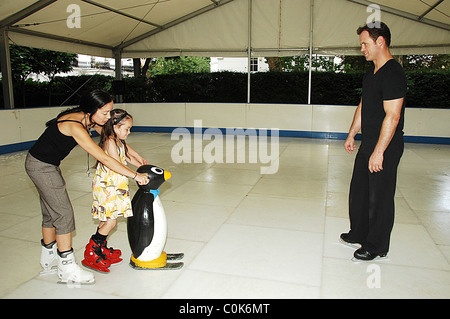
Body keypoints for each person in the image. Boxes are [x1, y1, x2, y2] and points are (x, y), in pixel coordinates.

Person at [25, 89, 149, 284]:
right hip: (40, 167)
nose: (108, 117)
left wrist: (138, 158)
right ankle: (67, 267)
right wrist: (135, 175)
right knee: (63, 214)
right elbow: (104, 158)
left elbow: (113, 138)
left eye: (110, 113)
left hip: (46, 164)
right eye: (105, 113)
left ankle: (48, 257)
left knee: (51, 213)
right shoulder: (75, 126)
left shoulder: (90, 119)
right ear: (92, 110)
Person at [340, 22, 407, 261]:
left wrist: (379, 151)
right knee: (359, 192)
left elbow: (393, 115)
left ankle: (377, 245)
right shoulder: (372, 73)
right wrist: (351, 133)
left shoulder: (393, 73)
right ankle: (359, 232)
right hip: (368, 141)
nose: (362, 49)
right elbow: (363, 105)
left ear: (380, 42)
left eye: (365, 44)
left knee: (379, 196)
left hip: (385, 146)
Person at [83, 109, 148, 273]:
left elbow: (127, 157)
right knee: (111, 222)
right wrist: (136, 176)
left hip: (115, 186)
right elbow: (116, 164)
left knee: (108, 220)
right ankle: (92, 250)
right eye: (127, 128)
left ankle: (100, 248)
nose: (129, 132)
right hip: (107, 187)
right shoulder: (109, 142)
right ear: (114, 127)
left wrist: (142, 164)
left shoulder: (119, 141)